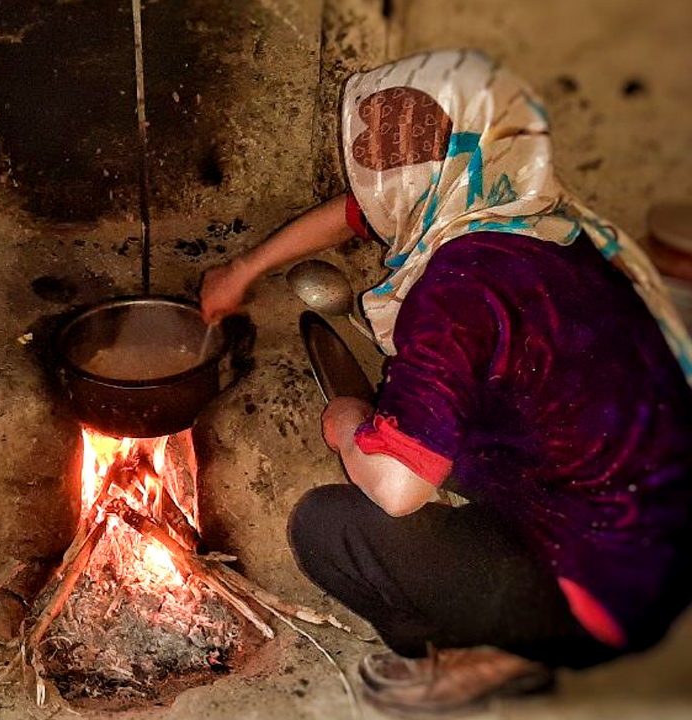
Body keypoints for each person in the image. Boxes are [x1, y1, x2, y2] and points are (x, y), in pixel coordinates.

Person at [200, 49, 692, 716]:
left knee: (330, 527)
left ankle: (502, 653)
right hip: (664, 520)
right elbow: (363, 210)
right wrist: (243, 270)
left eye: (387, 151)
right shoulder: (533, 211)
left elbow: (398, 492)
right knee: (433, 420)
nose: (373, 163)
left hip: (610, 590)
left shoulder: (454, 291)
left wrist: (348, 422)